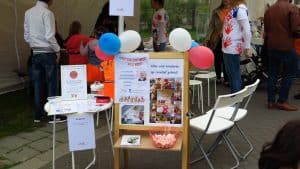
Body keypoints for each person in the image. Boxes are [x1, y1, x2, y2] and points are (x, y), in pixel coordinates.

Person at [24, 0, 66, 123]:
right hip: (48, 52)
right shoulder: (48, 13)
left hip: (35, 52)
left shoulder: (28, 12)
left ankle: (38, 115)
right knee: (52, 83)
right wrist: (58, 50)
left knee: (37, 84)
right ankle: (53, 115)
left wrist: (34, 44)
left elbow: (26, 35)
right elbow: (49, 35)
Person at [264, 0, 300, 111]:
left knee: (273, 73)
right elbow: (296, 29)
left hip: (271, 45)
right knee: (289, 74)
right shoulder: (292, 8)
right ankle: (282, 101)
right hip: (287, 46)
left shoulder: (269, 10)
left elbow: (266, 30)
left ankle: (271, 101)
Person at [222, 0, 252, 93]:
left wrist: (247, 48)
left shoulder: (240, 10)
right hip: (228, 47)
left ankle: (235, 101)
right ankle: (234, 99)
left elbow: (247, 30)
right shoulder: (234, 9)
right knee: (231, 75)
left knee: (234, 75)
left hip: (232, 48)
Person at [204, 0, 230, 85]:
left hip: (228, 39)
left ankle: (226, 79)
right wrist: (207, 38)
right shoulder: (216, 11)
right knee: (218, 59)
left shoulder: (233, 11)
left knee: (226, 59)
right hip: (217, 38)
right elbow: (211, 26)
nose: (226, 1)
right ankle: (218, 77)